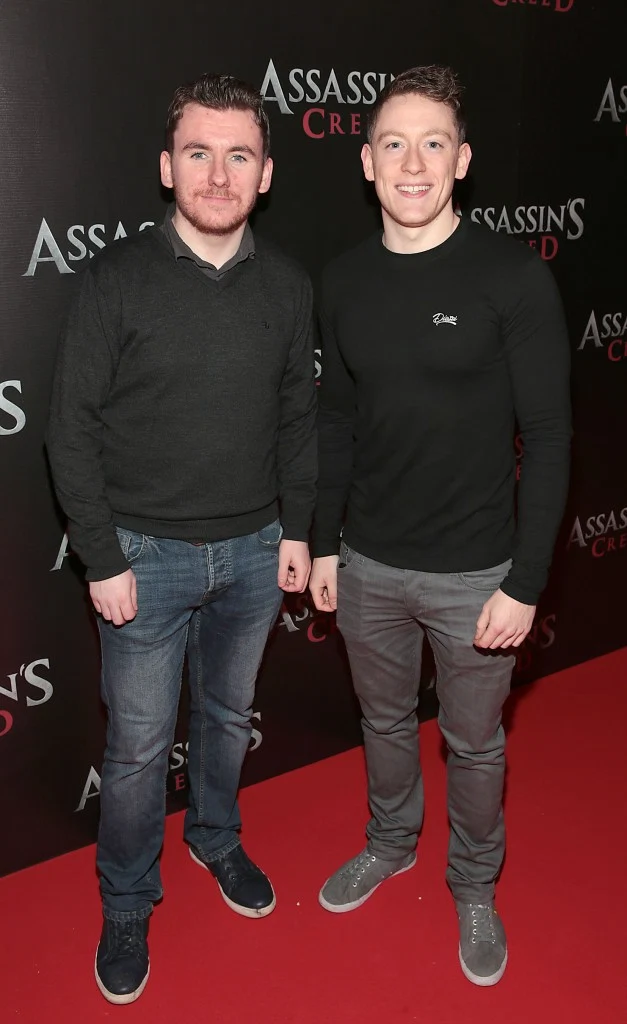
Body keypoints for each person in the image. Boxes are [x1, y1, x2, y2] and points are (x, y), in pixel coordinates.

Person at [47, 73, 316, 1005]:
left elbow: (297, 420)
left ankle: (214, 837)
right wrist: (102, 555)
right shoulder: (114, 279)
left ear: (265, 175)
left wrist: (297, 530)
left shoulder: (288, 287)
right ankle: (127, 899)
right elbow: (69, 430)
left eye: (239, 155)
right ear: (167, 166)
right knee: (134, 750)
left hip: (255, 551)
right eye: (199, 152)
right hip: (143, 560)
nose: (218, 174)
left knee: (228, 719)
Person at [309, 65, 571, 987]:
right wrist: (326, 541)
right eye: (393, 143)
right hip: (369, 565)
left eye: (432, 143)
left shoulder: (511, 278)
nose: (412, 163)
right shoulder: (342, 280)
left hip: (475, 575)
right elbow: (335, 421)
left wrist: (525, 582)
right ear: (367, 163)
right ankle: (389, 844)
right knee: (383, 722)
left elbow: (549, 437)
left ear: (460, 161)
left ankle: (473, 885)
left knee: (473, 744)